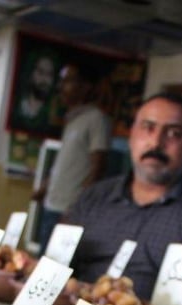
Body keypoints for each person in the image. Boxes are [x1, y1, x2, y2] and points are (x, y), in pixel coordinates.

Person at [64, 92, 182, 305]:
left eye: (174, 133)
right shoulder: (93, 197)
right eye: (148, 127)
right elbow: (54, 268)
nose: (157, 142)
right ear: (131, 136)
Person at [31, 62, 111, 247]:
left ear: (86, 86)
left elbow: (98, 168)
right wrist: (45, 187)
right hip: (51, 205)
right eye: (61, 81)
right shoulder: (73, 119)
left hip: (68, 211)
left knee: (56, 269)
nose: (61, 87)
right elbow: (66, 162)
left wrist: (76, 208)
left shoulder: (96, 119)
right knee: (42, 267)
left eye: (68, 81)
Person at [12, 53, 60, 134]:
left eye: (50, 74)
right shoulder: (18, 105)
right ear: (31, 74)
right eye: (40, 72)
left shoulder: (54, 111)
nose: (45, 80)